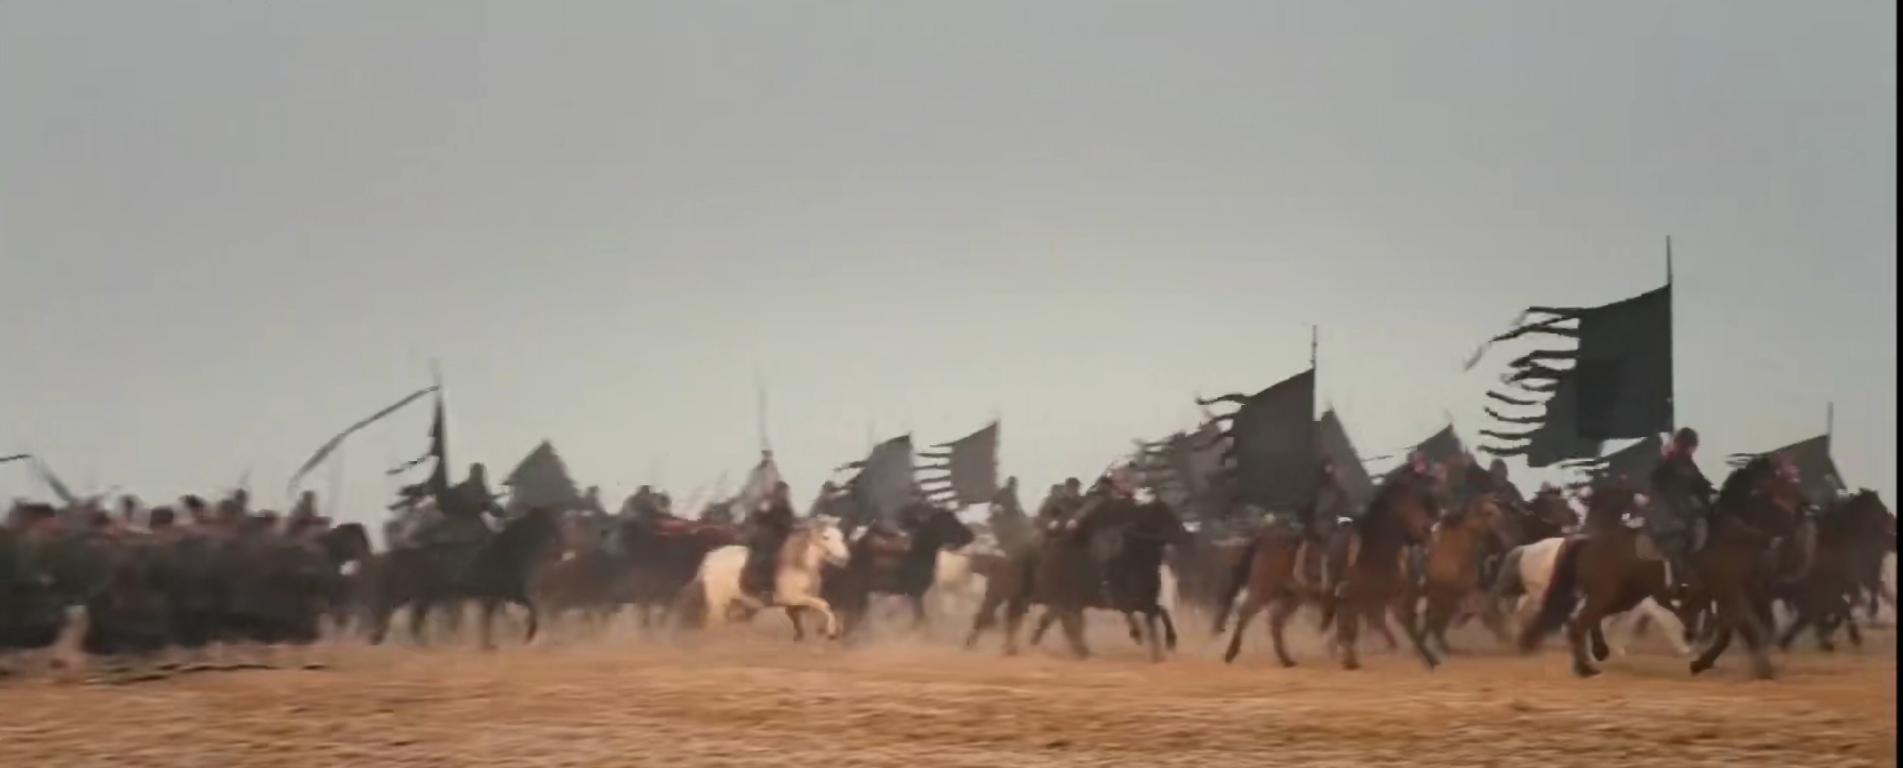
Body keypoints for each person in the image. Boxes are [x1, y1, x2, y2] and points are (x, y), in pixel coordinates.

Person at [1647, 427, 1714, 596]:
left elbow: (1700, 484)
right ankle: (1681, 581)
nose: (1693, 450)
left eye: (1693, 446)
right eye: (1691, 446)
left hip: (1685, 511)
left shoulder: (1688, 464)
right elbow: (1656, 483)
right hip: (1666, 515)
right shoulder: (1668, 463)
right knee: (1675, 541)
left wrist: (1711, 493)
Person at [741, 481, 797, 598]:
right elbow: (758, 517)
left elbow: (788, 522)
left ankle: (775, 587)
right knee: (763, 557)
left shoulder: (786, 507)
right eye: (782, 492)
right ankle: (760, 586)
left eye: (785, 492)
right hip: (767, 537)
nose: (784, 494)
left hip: (781, 537)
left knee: (774, 558)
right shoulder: (769, 504)